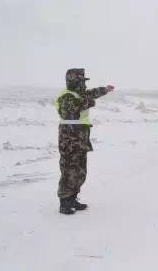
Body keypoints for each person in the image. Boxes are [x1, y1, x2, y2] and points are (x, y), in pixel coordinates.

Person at [54, 68, 114, 214]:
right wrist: (89, 102)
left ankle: (73, 198)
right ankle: (64, 202)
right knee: (69, 170)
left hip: (80, 138)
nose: (84, 84)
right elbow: (70, 112)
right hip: (69, 139)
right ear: (74, 81)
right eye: (81, 81)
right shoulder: (67, 96)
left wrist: (104, 90)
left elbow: (91, 93)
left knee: (80, 171)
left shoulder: (78, 94)